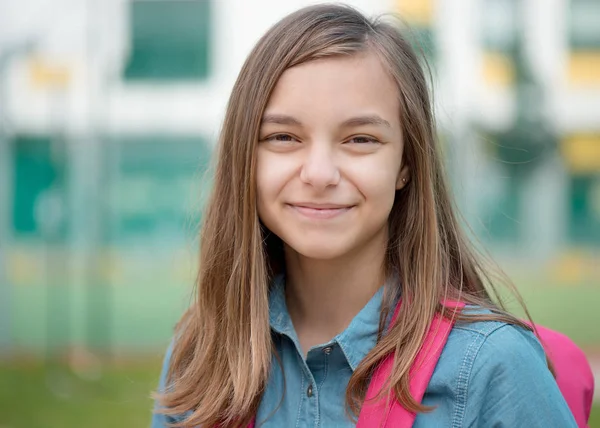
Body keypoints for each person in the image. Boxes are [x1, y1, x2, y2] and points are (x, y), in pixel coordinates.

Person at [151, 4, 579, 427]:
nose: (319, 174)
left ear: (406, 163)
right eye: (283, 136)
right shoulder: (200, 355)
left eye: (359, 139)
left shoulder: (493, 368)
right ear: (245, 157)